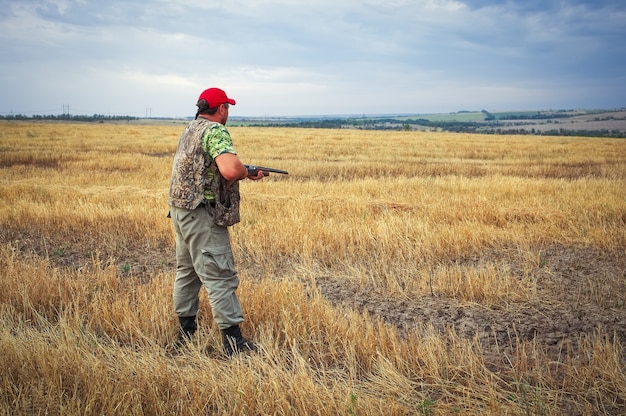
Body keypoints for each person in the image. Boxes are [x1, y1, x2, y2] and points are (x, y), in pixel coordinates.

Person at [168, 87, 264, 356]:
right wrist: (246, 172)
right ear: (221, 109)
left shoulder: (191, 128)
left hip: (180, 210)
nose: (228, 113)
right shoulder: (214, 131)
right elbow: (231, 169)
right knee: (219, 274)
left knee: (187, 273)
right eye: (228, 108)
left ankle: (185, 333)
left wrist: (246, 171)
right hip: (201, 214)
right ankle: (234, 343)